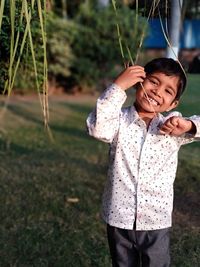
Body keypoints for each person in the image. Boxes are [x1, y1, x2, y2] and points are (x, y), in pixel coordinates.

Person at [86, 58, 200, 267]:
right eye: (154, 82)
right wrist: (118, 86)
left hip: (156, 221)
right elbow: (97, 128)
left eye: (168, 91)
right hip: (119, 216)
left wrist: (188, 125)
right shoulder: (118, 121)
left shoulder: (172, 125)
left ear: (173, 104)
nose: (158, 92)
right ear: (139, 82)